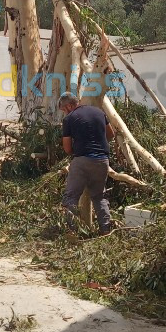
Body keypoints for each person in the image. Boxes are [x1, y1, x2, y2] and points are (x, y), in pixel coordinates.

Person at [59, 92, 115, 235]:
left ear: (70, 105)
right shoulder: (99, 112)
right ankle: (105, 230)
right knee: (98, 196)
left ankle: (71, 231)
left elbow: (67, 148)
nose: (64, 113)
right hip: (102, 160)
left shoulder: (69, 119)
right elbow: (111, 134)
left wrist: (78, 152)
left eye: (64, 110)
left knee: (71, 196)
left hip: (82, 160)